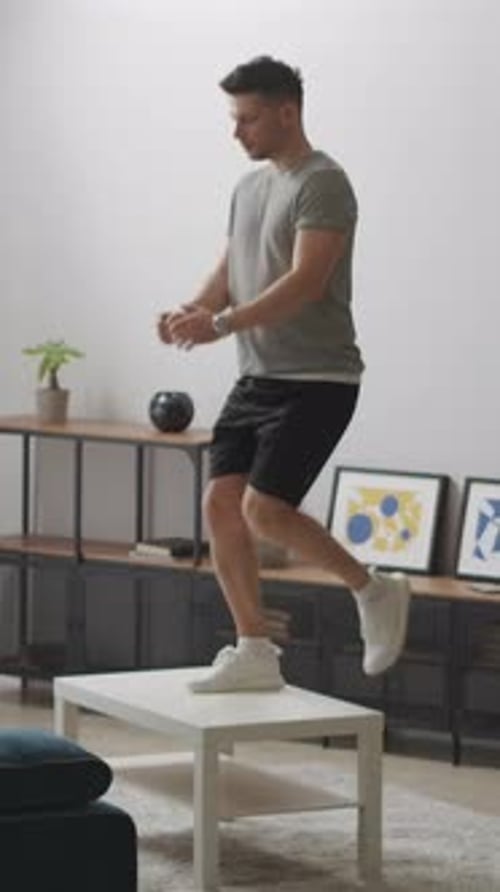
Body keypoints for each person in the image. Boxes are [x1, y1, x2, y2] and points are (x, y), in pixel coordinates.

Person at [157, 55, 411, 693]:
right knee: (221, 505)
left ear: (287, 112)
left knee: (265, 510)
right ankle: (254, 649)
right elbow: (232, 267)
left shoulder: (324, 183)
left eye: (247, 119)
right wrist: (193, 311)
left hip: (318, 379)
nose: (236, 131)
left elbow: (306, 282)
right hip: (258, 377)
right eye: (234, 118)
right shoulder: (249, 187)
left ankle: (374, 589)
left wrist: (221, 325)